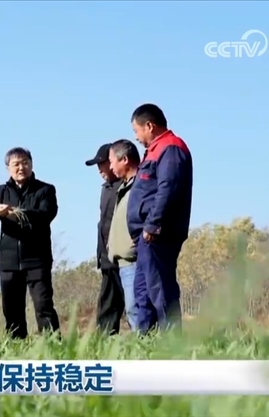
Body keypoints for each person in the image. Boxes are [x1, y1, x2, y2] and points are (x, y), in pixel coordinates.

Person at [127, 103, 194, 334]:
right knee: (143, 292)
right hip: (145, 237)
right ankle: (144, 340)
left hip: (158, 234)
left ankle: (171, 341)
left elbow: (168, 188)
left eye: (136, 131)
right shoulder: (154, 150)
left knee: (161, 289)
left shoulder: (171, 148)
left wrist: (153, 224)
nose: (136, 137)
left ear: (149, 125)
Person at [0, 147, 60, 339]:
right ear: (8, 168)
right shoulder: (2, 191)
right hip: (9, 261)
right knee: (12, 310)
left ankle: (52, 345)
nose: (21, 168)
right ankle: (16, 347)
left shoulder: (45, 189)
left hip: (37, 259)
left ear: (32, 164)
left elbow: (46, 214)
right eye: (16, 164)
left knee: (43, 306)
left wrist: (16, 213)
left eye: (25, 163)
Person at [85, 143, 124, 335]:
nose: (99, 169)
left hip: (124, 255)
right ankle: (106, 339)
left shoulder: (126, 185)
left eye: (102, 164)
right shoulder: (106, 188)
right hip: (107, 257)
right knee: (107, 303)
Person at [106, 139, 142, 331]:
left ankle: (146, 345)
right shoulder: (124, 187)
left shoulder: (141, 185)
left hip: (135, 259)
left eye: (112, 161)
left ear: (125, 160)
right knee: (131, 309)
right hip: (123, 261)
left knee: (135, 308)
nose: (110, 167)